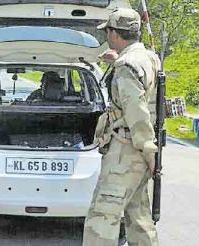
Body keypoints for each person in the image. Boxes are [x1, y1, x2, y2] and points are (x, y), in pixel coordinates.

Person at [83, 8, 160, 246]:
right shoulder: (149, 58)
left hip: (126, 152)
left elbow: (136, 112)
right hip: (139, 153)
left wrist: (148, 150)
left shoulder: (126, 66)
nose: (107, 35)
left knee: (102, 218)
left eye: (108, 31)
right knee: (138, 218)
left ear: (115, 33)